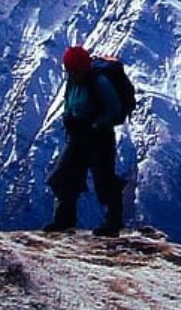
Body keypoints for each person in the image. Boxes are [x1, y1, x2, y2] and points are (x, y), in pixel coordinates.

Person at [43, 45, 126, 237]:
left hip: (100, 138)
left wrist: (96, 124)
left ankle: (113, 224)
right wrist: (68, 118)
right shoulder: (72, 81)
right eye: (69, 70)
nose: (71, 74)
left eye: (74, 71)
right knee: (61, 177)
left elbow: (115, 110)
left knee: (103, 181)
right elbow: (68, 102)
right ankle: (64, 220)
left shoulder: (100, 82)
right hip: (78, 137)